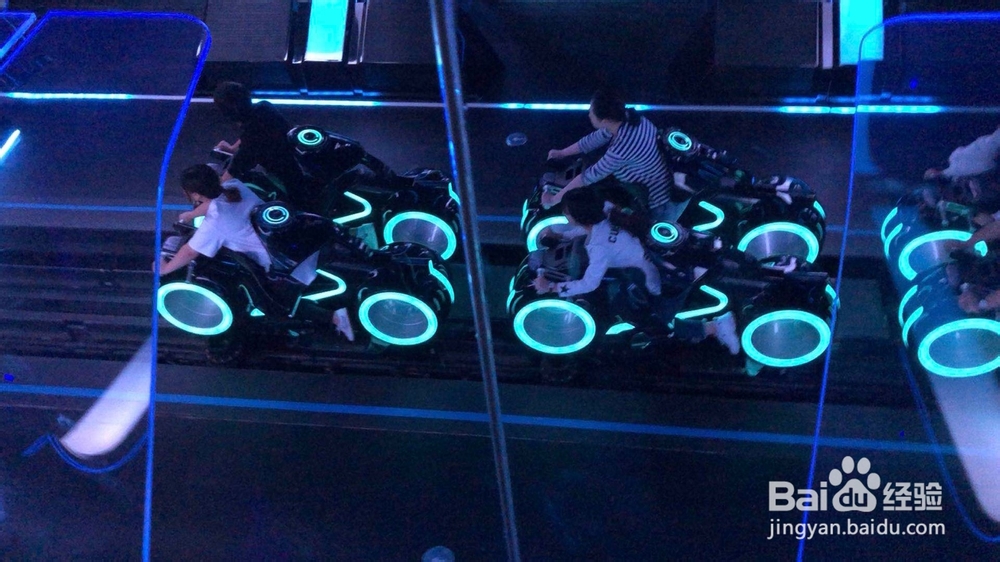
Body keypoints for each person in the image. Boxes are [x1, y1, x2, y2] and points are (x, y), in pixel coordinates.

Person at [157, 164, 355, 341]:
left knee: (274, 306)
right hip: (301, 240)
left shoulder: (215, 224)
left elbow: (190, 252)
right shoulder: (235, 187)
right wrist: (192, 214)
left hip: (288, 265)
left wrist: (165, 268)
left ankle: (336, 317)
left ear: (195, 195)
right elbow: (216, 203)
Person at [532, 188, 739, 354]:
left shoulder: (598, 247)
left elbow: (589, 284)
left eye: (567, 212)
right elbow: (590, 227)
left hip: (656, 281)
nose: (564, 214)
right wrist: (562, 235)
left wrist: (551, 286)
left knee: (653, 323)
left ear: (579, 216)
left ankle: (717, 327)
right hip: (658, 258)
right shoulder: (606, 209)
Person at [544, 88, 681, 222]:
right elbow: (595, 139)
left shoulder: (622, 149)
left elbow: (587, 177)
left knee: (639, 231)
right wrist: (562, 153)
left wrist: (553, 200)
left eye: (591, 111)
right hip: (656, 179)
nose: (589, 113)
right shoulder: (631, 118)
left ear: (605, 121)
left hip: (659, 203)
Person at [213, 82, 307, 202]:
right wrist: (232, 148)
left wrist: (209, 196)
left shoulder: (250, 146)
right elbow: (251, 133)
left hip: (289, 178)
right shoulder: (265, 108)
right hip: (299, 158)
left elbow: (232, 172)